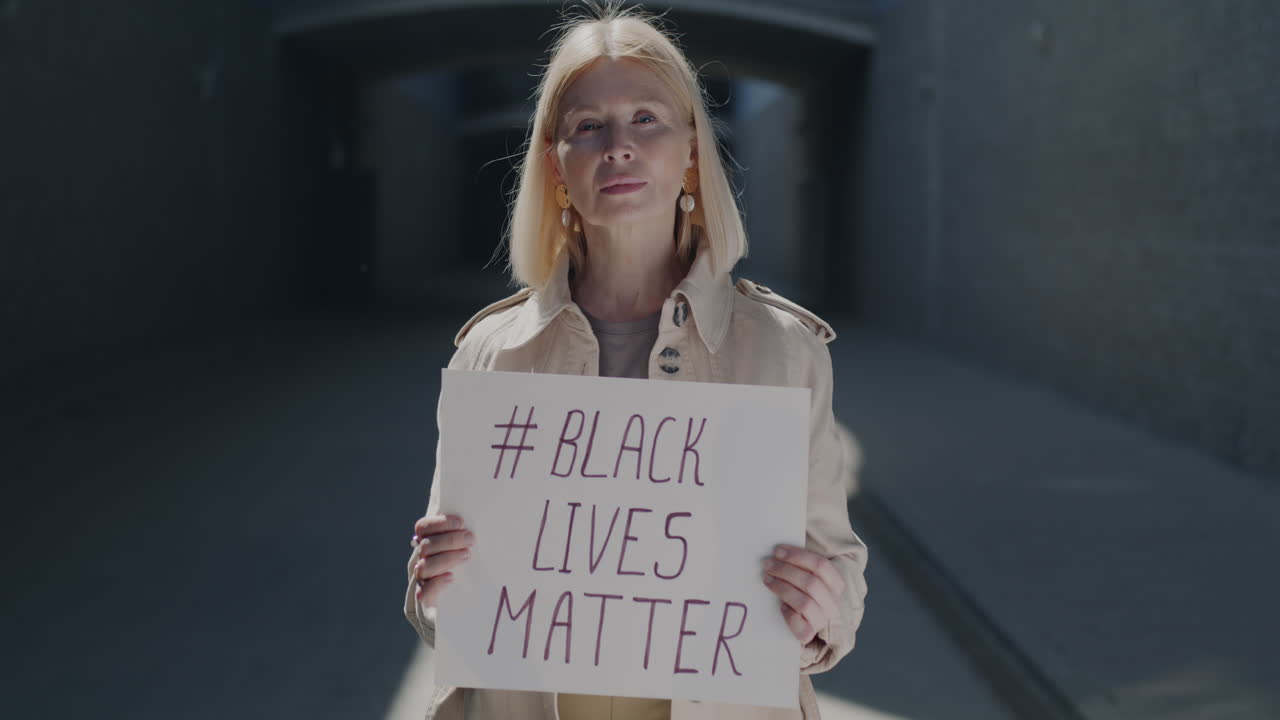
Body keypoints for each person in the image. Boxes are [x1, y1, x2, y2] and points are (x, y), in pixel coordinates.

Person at [403, 3, 868, 718]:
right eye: (588, 126)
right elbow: (441, 603)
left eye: (646, 118)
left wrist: (820, 609)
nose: (618, 145)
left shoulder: (783, 350)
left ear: (689, 150)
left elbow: (837, 569)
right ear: (556, 164)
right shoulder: (490, 356)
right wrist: (433, 587)